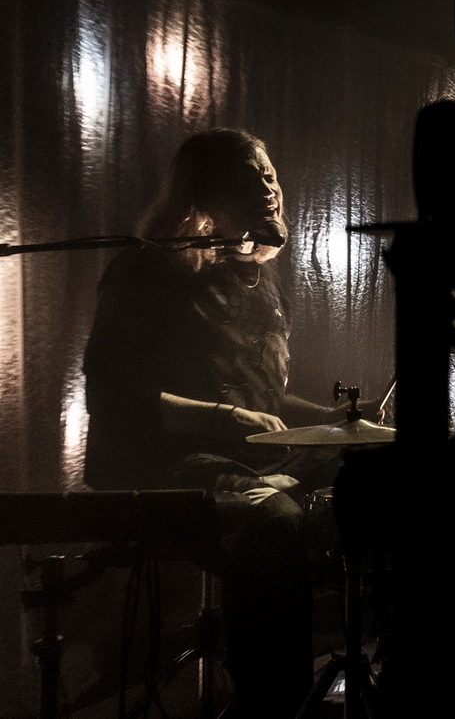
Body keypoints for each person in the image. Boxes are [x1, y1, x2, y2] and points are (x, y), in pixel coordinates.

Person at [83, 128, 344, 716]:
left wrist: (331, 420)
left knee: (390, 479)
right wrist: (224, 419)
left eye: (270, 174)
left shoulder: (261, 284)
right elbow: (114, 397)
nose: (269, 187)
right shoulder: (149, 270)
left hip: (249, 454)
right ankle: (272, 706)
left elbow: (263, 399)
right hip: (160, 461)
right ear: (202, 192)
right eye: (250, 176)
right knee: (273, 521)